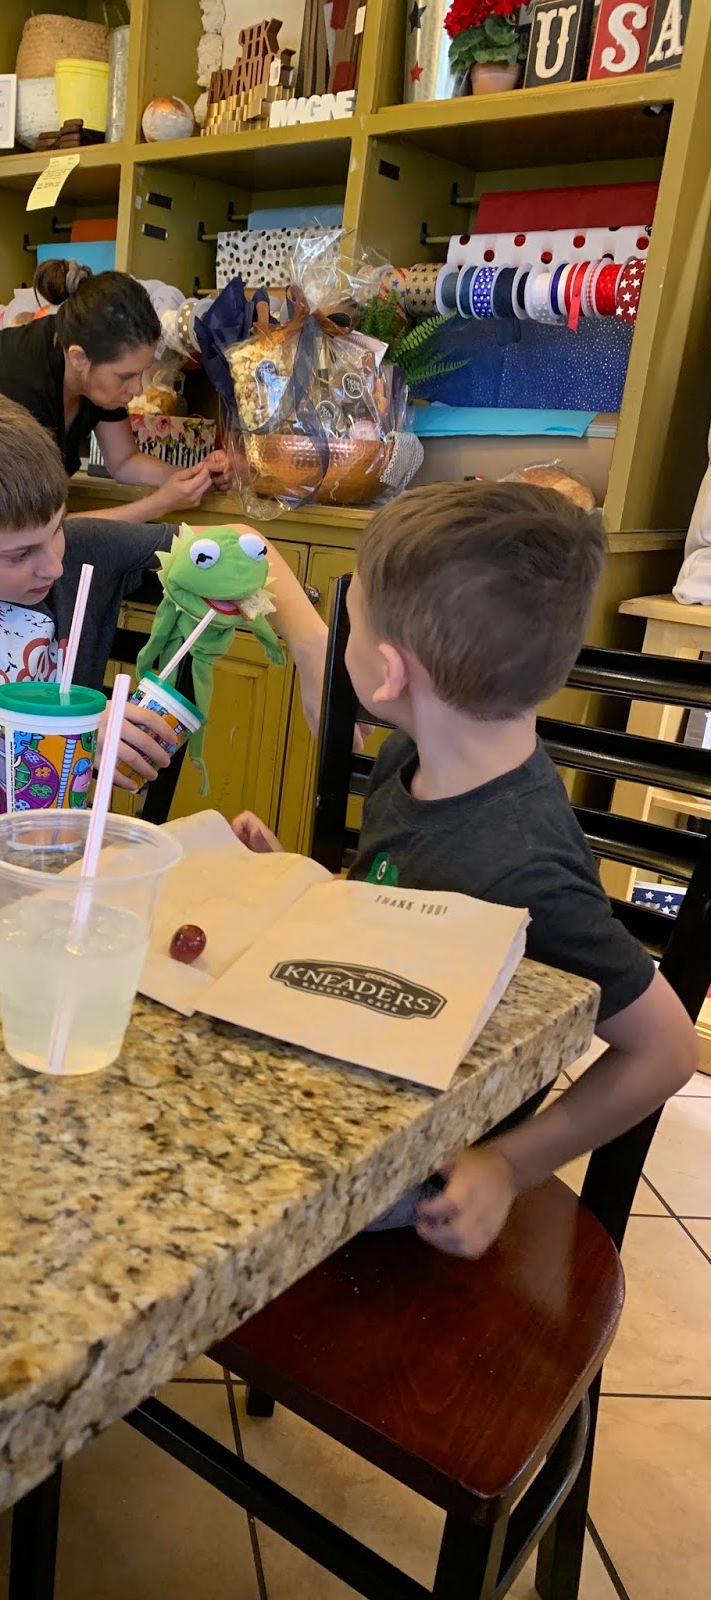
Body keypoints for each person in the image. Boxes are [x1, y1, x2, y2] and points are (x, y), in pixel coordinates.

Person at [234, 481, 698, 1259]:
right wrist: (304, 888)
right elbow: (397, 900)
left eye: (352, 624)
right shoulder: (411, 757)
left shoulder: (525, 871)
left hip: (421, 1167)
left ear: (388, 673)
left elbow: (670, 1050)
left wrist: (509, 1165)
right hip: (369, 1056)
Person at [0, 382, 328, 787]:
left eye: (54, 529)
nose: (52, 566)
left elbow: (241, 543)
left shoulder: (79, 550)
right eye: (19, 555)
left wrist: (312, 650)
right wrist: (57, 719)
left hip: (48, 841)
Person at [0, 264, 229, 529]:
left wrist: (192, 477)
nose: (137, 389)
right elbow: (43, 531)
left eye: (141, 373)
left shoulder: (90, 368)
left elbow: (124, 460)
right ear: (79, 358)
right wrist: (159, 504)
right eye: (126, 376)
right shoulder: (18, 388)